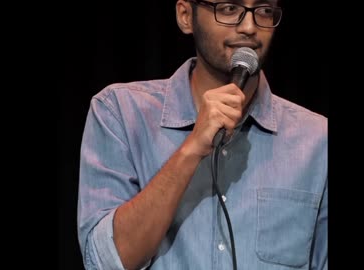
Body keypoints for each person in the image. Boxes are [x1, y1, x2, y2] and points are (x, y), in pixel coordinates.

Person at [77, 0, 327, 269]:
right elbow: (105, 262)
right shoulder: (120, 112)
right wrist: (192, 148)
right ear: (186, 16)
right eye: (229, 9)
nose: (249, 27)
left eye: (264, 10)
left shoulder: (316, 139)